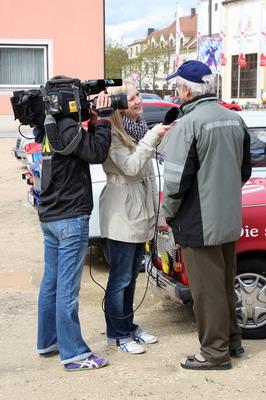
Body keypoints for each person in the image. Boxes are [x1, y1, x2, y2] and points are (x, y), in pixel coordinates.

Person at [163, 60, 251, 370]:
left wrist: (169, 216)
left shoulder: (187, 125)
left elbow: (174, 183)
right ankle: (232, 340)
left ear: (186, 90)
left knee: (207, 290)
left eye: (177, 87)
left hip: (199, 222)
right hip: (228, 217)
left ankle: (214, 353)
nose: (176, 92)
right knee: (225, 284)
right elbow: (244, 170)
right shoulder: (233, 119)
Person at [37, 77, 112, 372]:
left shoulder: (49, 123)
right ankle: (74, 353)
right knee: (67, 288)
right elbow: (96, 152)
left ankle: (48, 341)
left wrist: (90, 122)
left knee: (51, 284)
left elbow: (82, 150)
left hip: (51, 216)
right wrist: (103, 120)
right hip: (70, 216)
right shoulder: (67, 126)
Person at [99, 78, 170, 354]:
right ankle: (116, 334)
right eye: (132, 98)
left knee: (131, 273)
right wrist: (154, 136)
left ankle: (128, 327)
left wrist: (156, 212)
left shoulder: (137, 129)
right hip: (122, 213)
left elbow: (149, 174)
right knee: (120, 277)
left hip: (140, 211)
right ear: (118, 106)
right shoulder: (114, 135)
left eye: (139, 95)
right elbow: (130, 167)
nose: (139, 100)